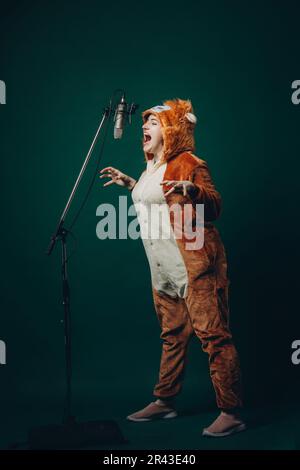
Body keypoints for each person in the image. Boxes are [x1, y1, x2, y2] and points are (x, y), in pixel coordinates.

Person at [99, 98, 246, 437]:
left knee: (215, 338)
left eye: (151, 124)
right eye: (144, 124)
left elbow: (215, 206)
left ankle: (231, 411)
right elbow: (158, 202)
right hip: (163, 269)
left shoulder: (189, 163)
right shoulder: (152, 167)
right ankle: (165, 402)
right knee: (173, 336)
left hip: (195, 268)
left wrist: (194, 191)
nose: (144, 129)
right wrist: (131, 185)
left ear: (170, 130)